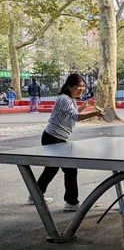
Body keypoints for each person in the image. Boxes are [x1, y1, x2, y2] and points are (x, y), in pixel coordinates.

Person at [30, 74, 103, 211]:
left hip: (55, 138)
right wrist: (94, 113)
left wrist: (85, 106)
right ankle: (71, 202)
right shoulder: (64, 99)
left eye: (83, 86)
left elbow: (73, 115)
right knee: (70, 168)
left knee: (51, 169)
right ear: (69, 86)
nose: (81, 88)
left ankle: (36, 195)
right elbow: (76, 116)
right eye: (79, 85)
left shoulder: (70, 100)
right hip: (53, 138)